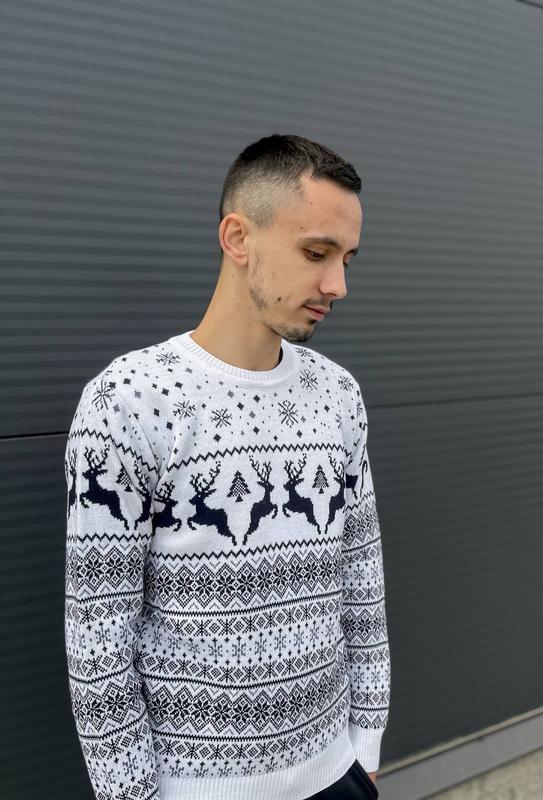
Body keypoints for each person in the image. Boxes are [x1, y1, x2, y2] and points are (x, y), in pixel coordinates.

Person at [64, 133, 390, 800]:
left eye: (347, 258)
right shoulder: (130, 401)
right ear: (238, 238)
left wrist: (366, 744)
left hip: (337, 774)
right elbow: (98, 638)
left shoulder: (337, 395)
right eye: (317, 253)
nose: (338, 285)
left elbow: (362, 576)